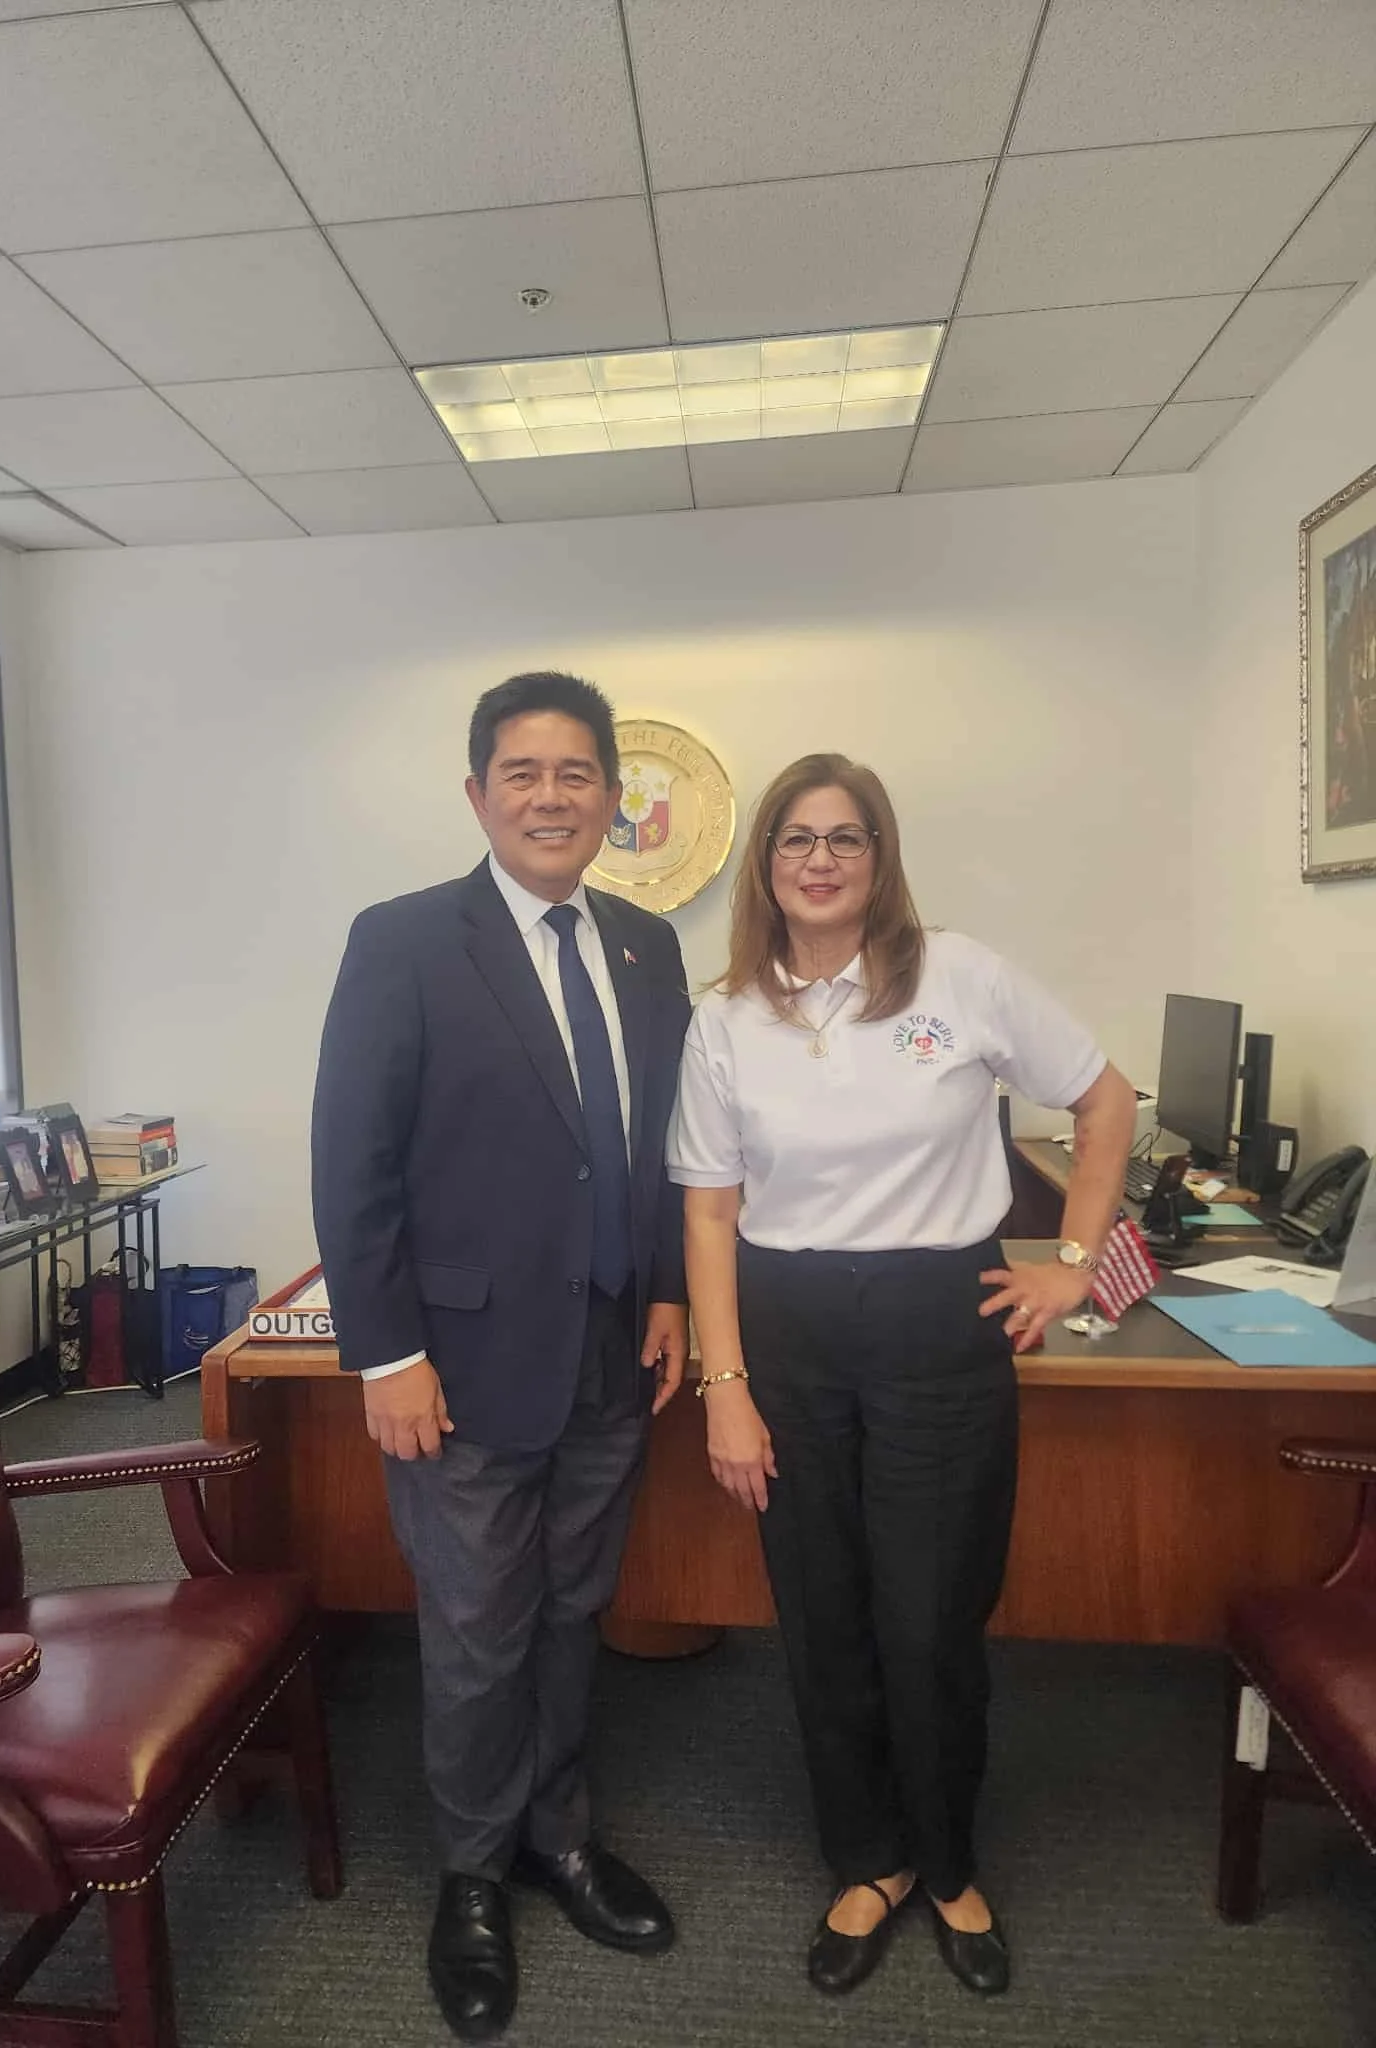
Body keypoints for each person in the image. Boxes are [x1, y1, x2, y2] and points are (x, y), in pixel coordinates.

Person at [669, 752, 1133, 2000]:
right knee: (823, 1617)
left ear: (880, 857)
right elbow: (708, 1213)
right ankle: (867, 1858)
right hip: (790, 1331)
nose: (820, 859)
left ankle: (947, 1857)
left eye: (847, 836)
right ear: (767, 863)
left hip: (939, 1326)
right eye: (797, 838)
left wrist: (1074, 1262)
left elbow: (1105, 1100)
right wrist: (725, 1383)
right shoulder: (726, 1018)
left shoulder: (960, 975)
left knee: (930, 1619)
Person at [311, 671, 691, 2042]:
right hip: (459, 1363)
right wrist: (385, 1354)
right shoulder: (406, 939)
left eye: (576, 772)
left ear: (613, 799)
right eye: (522, 772)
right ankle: (473, 1874)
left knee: (575, 1607)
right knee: (477, 1631)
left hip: (610, 1347)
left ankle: (558, 1834)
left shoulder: (647, 946)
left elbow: (659, 1145)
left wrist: (667, 1291)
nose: (550, 795)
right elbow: (351, 1162)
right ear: (478, 794)